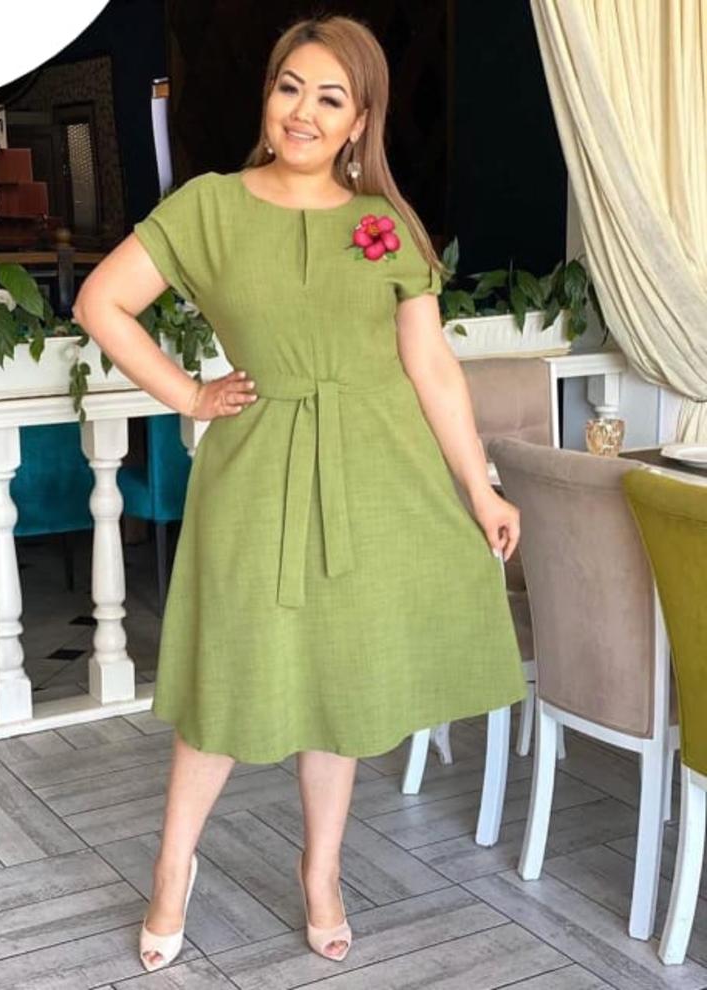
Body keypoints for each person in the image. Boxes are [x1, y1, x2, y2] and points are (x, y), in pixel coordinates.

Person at [74, 14, 526, 973]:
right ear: (267, 95)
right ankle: (172, 866)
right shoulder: (209, 206)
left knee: (340, 681)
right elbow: (100, 302)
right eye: (290, 87)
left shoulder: (387, 223)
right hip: (257, 468)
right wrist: (188, 394)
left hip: (377, 471)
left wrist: (479, 486)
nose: (304, 112)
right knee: (228, 677)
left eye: (330, 97)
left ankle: (321, 872)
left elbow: (431, 367)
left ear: (361, 120)